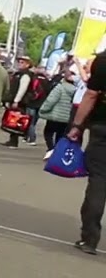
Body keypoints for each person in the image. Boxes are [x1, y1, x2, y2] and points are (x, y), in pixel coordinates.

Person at [67, 50, 105, 256]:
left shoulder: (103, 61)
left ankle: (90, 237)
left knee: (99, 182)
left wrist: (77, 125)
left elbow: (91, 95)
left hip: (103, 128)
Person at [38, 66, 78, 160]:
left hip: (55, 115)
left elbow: (51, 100)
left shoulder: (60, 87)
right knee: (60, 135)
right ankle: (56, 152)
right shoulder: (76, 90)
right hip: (66, 117)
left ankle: (51, 149)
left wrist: (43, 109)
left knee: (48, 132)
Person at [2, 56, 37, 149]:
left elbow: (22, 89)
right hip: (15, 100)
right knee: (13, 119)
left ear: (27, 64)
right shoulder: (19, 73)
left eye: (22, 62)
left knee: (17, 120)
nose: (20, 64)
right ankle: (12, 139)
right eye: (19, 62)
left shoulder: (25, 75)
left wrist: (16, 100)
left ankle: (14, 141)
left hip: (20, 102)